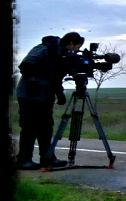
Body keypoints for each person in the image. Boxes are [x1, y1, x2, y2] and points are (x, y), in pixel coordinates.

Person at [15, 31, 84, 170]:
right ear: (70, 43)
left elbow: (55, 77)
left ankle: (48, 157)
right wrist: (33, 81)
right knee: (30, 127)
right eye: (77, 46)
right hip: (29, 94)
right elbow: (26, 65)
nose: (77, 50)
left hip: (45, 96)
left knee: (46, 127)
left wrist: (60, 93)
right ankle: (23, 160)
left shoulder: (62, 56)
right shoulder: (45, 48)